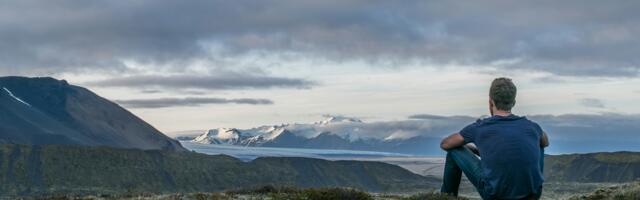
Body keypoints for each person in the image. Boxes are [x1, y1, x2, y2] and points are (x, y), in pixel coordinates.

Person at [440, 77, 549, 200]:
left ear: (490, 102)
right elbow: (545, 142)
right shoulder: (532, 127)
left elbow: (445, 144)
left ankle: (446, 197)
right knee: (540, 143)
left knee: (454, 150)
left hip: (495, 196)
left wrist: (465, 146)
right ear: (514, 102)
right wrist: (479, 150)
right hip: (533, 195)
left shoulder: (479, 127)